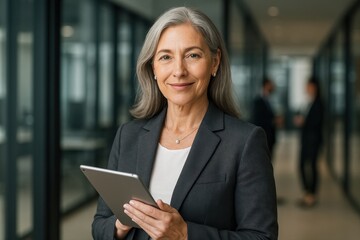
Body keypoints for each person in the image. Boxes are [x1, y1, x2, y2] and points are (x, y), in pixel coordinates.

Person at [92, 7, 278, 240]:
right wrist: (119, 226)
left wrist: (185, 234)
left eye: (193, 55)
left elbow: (262, 236)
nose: (179, 71)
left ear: (215, 62)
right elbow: (100, 224)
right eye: (166, 57)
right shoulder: (128, 136)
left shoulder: (244, 142)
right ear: (154, 69)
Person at [293, 77, 324, 208]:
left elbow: (317, 122)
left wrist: (304, 122)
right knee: (300, 165)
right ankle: (307, 192)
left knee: (312, 165)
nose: (307, 89)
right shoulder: (307, 102)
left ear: (315, 87)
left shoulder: (319, 103)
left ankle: (312, 195)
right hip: (305, 140)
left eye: (309, 86)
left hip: (314, 140)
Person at [251, 77, 277, 158]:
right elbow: (258, 120)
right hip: (264, 137)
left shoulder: (269, 100)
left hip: (270, 137)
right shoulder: (258, 101)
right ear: (266, 85)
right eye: (271, 85)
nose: (273, 87)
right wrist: (272, 121)